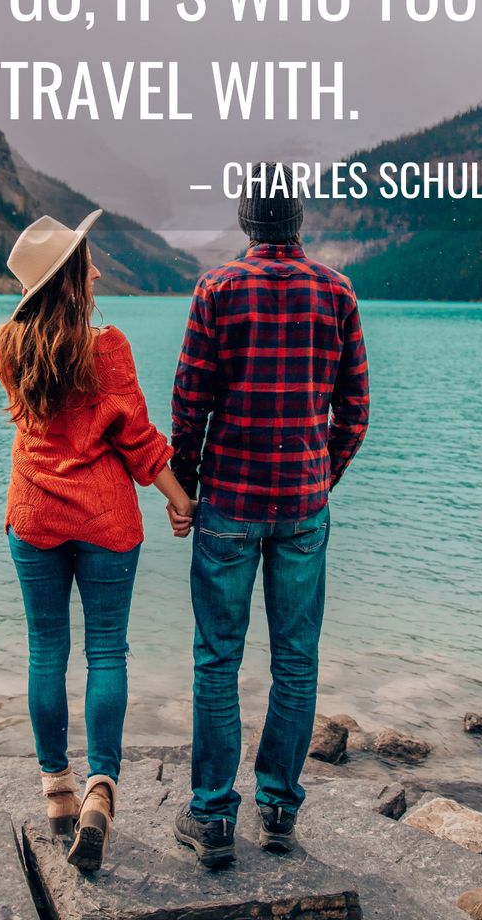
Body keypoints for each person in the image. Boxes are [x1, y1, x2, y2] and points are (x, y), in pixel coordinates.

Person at [168, 164, 370, 866]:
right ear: (299, 221)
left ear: (248, 221)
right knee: (296, 659)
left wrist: (186, 488)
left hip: (228, 499)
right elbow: (356, 410)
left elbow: (190, 400)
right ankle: (279, 809)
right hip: (302, 507)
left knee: (217, 660)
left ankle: (213, 817)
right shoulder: (337, 291)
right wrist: (321, 476)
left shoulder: (217, 289)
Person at [0, 210, 193, 873]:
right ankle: (103, 788)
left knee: (46, 649)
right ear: (73, 278)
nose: (100, 269)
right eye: (88, 261)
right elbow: (134, 438)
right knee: (107, 650)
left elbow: (38, 422)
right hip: (106, 521)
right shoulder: (107, 347)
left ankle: (57, 791)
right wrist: (179, 498)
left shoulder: (6, 345)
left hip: (35, 515)